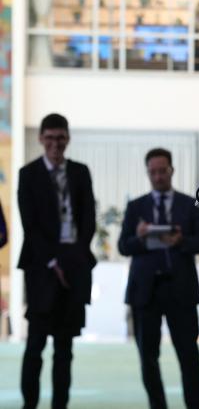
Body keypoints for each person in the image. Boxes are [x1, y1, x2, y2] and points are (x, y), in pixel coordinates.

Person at [118, 148, 199, 409]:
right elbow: (123, 246)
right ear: (147, 173)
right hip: (145, 292)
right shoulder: (136, 207)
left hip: (180, 289)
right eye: (153, 172)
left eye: (163, 171)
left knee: (188, 356)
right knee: (148, 357)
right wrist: (140, 237)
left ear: (172, 170)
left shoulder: (189, 204)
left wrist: (182, 241)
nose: (158, 176)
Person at [18, 113, 96, 409]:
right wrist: (54, 262)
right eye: (49, 137)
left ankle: (59, 405)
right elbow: (31, 226)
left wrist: (71, 259)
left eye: (60, 137)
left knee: (65, 348)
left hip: (74, 266)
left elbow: (88, 219)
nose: (55, 144)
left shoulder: (80, 172)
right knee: (35, 344)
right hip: (41, 269)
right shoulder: (28, 174)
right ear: (40, 139)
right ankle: (30, 404)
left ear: (68, 139)